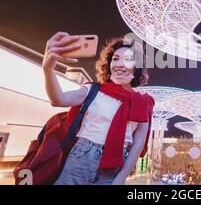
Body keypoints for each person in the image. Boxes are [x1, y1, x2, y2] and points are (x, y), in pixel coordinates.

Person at [42, 32, 154, 185]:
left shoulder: (144, 103)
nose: (119, 64)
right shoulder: (94, 90)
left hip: (113, 169)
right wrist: (48, 70)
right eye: (115, 59)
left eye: (128, 60)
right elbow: (58, 100)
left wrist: (120, 179)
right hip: (80, 158)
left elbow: (137, 145)